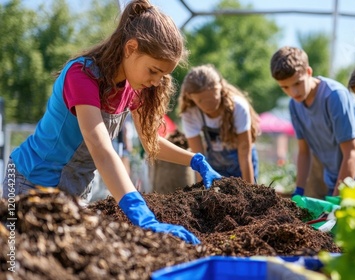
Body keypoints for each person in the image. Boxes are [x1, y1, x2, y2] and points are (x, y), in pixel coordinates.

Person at [1, 0, 222, 244]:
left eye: (163, 75)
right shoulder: (82, 76)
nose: (157, 81)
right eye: (153, 70)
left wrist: (195, 160)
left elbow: (152, 143)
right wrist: (142, 214)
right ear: (131, 48)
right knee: (23, 262)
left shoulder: (132, 87)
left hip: (74, 190)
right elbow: (101, 149)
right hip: (29, 180)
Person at [270, 46, 355, 197]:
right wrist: (299, 192)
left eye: (297, 83)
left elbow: (352, 154)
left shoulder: (334, 96)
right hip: (334, 183)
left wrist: (335, 200)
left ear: (308, 72)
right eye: (285, 87)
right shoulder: (294, 105)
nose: (293, 92)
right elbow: (304, 152)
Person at [178, 64, 260, 184]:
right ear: (190, 97)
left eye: (212, 98)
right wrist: (203, 190)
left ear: (220, 87)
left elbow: (244, 154)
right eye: (201, 101)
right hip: (215, 166)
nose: (208, 106)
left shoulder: (238, 107)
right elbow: (199, 157)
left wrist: (249, 191)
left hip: (243, 163)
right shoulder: (190, 114)